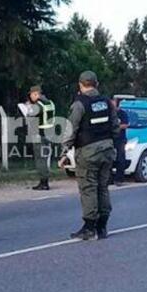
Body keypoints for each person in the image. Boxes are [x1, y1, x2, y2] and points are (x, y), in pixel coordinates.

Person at [61, 71, 120, 240]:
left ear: (80, 85)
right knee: (103, 187)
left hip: (88, 152)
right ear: (97, 84)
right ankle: (102, 227)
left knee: (88, 188)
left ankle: (89, 227)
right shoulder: (107, 103)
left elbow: (71, 130)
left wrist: (64, 152)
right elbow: (115, 127)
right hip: (107, 150)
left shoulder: (80, 104)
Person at [22, 84, 53, 191]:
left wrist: (27, 108)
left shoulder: (38, 105)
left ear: (36, 94)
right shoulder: (50, 103)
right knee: (45, 157)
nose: (30, 97)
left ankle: (44, 183)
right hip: (49, 133)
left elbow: (30, 116)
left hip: (39, 134)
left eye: (31, 95)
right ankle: (45, 181)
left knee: (40, 159)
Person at [112, 97, 130, 185]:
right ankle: (109, 179)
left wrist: (116, 127)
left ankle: (119, 179)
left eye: (113, 103)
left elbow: (125, 125)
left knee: (120, 159)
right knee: (108, 159)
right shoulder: (109, 114)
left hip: (120, 139)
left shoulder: (122, 114)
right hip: (110, 139)